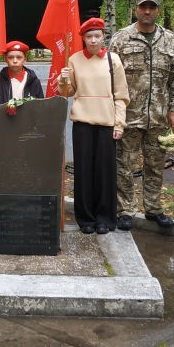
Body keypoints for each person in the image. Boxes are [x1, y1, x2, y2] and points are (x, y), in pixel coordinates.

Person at [109, 0, 174, 231]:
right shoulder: (121, 38)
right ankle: (125, 210)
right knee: (124, 165)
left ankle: (153, 208)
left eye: (152, 7)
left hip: (159, 116)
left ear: (158, 11)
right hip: (128, 116)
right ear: (137, 10)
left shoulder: (170, 40)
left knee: (155, 165)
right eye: (143, 7)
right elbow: (109, 77)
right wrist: (114, 113)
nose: (147, 12)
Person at [59, 17, 130, 234]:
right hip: (82, 122)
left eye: (97, 36)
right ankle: (86, 218)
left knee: (104, 172)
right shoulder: (74, 59)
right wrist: (63, 80)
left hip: (107, 122)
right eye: (88, 36)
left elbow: (121, 95)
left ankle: (104, 218)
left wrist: (119, 123)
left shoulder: (112, 60)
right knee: (83, 171)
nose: (93, 40)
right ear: (82, 38)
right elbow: (68, 92)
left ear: (103, 36)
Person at [0, 41, 44, 108]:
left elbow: (40, 107)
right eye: (11, 57)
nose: (15, 61)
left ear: (25, 59)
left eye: (19, 57)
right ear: (5, 59)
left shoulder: (34, 82)